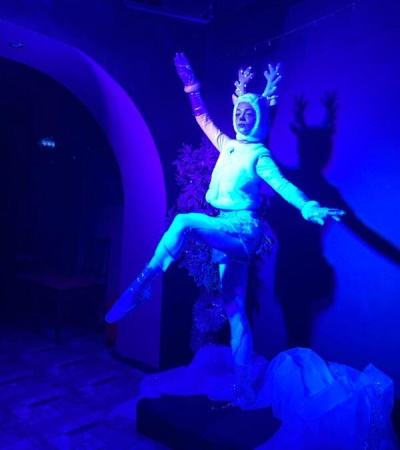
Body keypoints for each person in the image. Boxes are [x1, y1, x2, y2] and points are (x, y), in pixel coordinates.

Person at [105, 53, 345, 405]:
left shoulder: (258, 155)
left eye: (250, 114)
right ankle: (243, 385)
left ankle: (143, 284)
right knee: (234, 309)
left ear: (260, 119)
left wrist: (308, 206)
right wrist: (191, 84)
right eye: (239, 112)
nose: (242, 117)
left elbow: (282, 185)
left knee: (185, 221)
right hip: (224, 226)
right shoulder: (227, 144)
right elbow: (202, 117)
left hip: (243, 228)